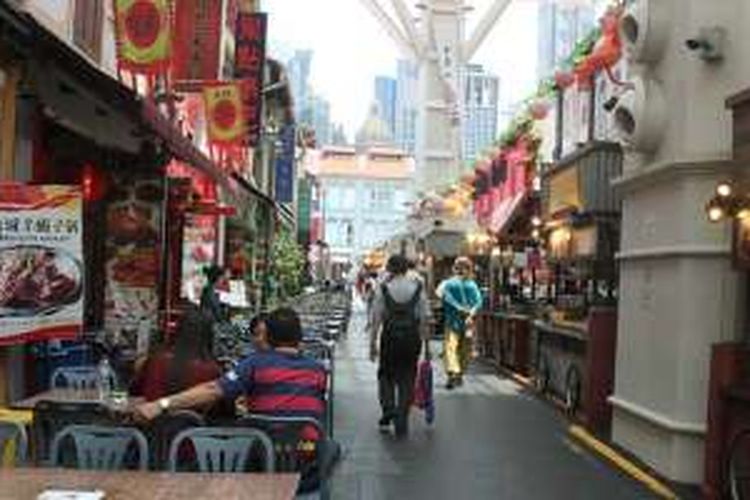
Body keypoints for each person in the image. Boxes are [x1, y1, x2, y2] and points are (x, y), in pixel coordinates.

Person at [133, 308, 339, 488]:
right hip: (306, 460)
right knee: (331, 446)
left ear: (269, 336)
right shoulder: (318, 371)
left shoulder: (255, 363)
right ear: (299, 336)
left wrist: (162, 404)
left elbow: (213, 390)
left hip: (262, 457)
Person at [368, 254, 431, 438]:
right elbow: (424, 320)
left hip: (389, 338)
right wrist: (427, 347)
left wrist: (372, 344)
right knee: (408, 377)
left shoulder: (384, 288)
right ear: (406, 268)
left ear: (390, 269)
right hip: (412, 339)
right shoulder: (418, 288)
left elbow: (376, 318)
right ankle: (401, 418)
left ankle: (388, 409)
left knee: (386, 375)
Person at [130, 306, 221, 402]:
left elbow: (134, 390)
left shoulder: (157, 360)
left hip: (152, 414)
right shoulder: (213, 371)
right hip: (191, 416)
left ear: (178, 330)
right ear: (209, 335)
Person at [437, 256, 483, 390]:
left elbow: (444, 297)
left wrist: (458, 308)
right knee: (465, 350)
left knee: (450, 348)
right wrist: (471, 313)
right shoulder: (472, 285)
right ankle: (459, 373)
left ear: (455, 268)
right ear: (469, 269)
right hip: (468, 323)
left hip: (452, 322)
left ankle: (453, 372)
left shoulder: (448, 283)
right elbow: (479, 302)